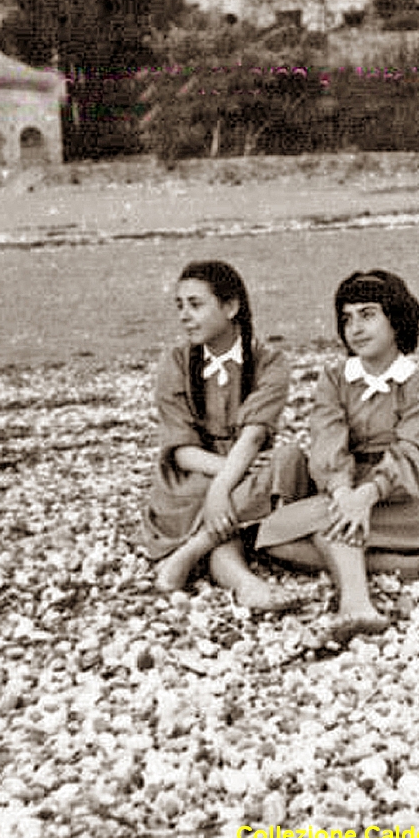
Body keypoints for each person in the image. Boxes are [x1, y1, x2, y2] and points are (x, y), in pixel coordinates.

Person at [255, 270, 419, 643]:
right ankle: (415, 566)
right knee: (273, 538)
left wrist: (367, 495)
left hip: (408, 497)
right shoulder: (335, 378)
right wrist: (344, 493)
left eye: (367, 314)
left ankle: (358, 604)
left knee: (331, 530)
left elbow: (415, 452)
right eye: (347, 318)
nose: (355, 327)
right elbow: (327, 440)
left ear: (396, 320)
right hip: (348, 490)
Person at [138, 260, 309, 612]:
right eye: (180, 306)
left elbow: (252, 438)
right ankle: (245, 581)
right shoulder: (176, 362)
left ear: (231, 307)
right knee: (228, 504)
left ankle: (192, 553)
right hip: (198, 480)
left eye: (196, 304)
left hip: (241, 473)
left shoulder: (269, 361)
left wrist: (223, 488)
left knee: (289, 457)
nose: (184, 315)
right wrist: (228, 479)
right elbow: (182, 451)